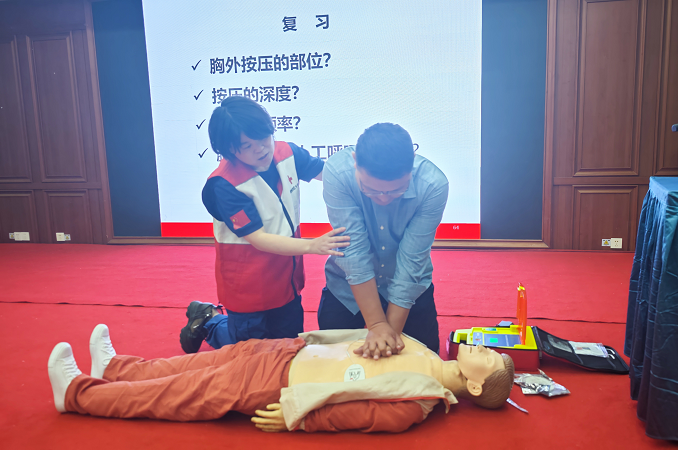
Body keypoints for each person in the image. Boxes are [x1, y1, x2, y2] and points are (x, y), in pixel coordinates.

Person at [48, 324, 515, 433]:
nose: (485, 348)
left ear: (475, 386)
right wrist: (313, 337)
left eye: (490, 359)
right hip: (287, 351)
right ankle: (115, 369)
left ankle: (77, 394)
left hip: (277, 385)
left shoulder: (419, 402)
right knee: (188, 367)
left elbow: (355, 415)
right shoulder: (425, 349)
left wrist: (299, 417)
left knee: (174, 394)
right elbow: (363, 336)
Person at [180, 96, 350, 353]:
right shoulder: (224, 184)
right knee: (253, 352)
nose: (261, 149)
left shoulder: (287, 153)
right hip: (249, 285)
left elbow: (328, 173)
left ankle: (214, 322)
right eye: (247, 145)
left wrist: (366, 178)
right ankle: (209, 322)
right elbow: (257, 238)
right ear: (228, 149)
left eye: (263, 138)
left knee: (288, 349)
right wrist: (312, 245)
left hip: (287, 279)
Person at [319, 123, 448, 359]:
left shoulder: (433, 185)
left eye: (397, 190)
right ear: (355, 161)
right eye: (370, 189)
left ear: (412, 164)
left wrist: (388, 336)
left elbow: (412, 259)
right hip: (347, 290)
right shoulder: (338, 172)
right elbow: (353, 252)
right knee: (332, 364)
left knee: (424, 365)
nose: (383, 198)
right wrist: (377, 325)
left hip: (409, 293)